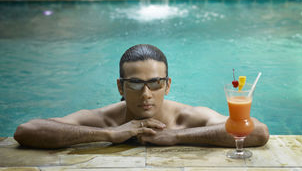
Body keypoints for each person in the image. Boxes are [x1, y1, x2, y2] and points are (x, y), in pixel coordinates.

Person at [14, 44, 269, 149]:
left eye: (155, 83)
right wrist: (108, 134)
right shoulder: (105, 120)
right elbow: (27, 130)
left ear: (168, 86)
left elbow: (258, 131)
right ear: (120, 87)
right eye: (135, 84)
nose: (146, 94)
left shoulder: (186, 117)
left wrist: (176, 136)